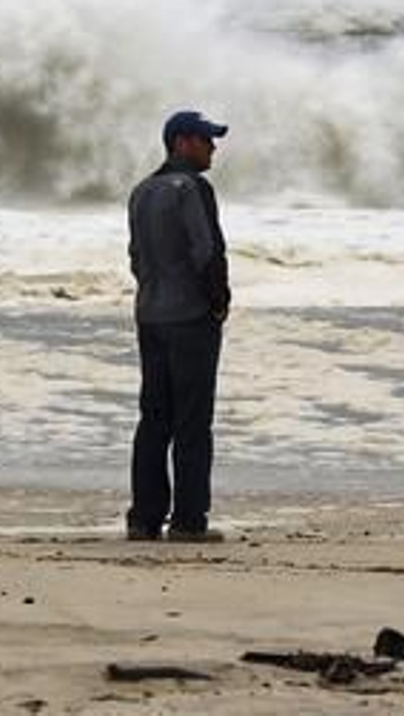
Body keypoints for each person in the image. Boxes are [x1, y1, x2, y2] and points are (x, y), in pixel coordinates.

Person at [125, 109, 231, 543]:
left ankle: (144, 519)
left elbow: (135, 257)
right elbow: (206, 251)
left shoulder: (141, 191)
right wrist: (219, 302)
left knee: (153, 419)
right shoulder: (193, 188)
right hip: (190, 318)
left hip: (150, 315)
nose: (213, 147)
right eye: (206, 139)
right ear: (182, 142)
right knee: (192, 421)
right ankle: (189, 521)